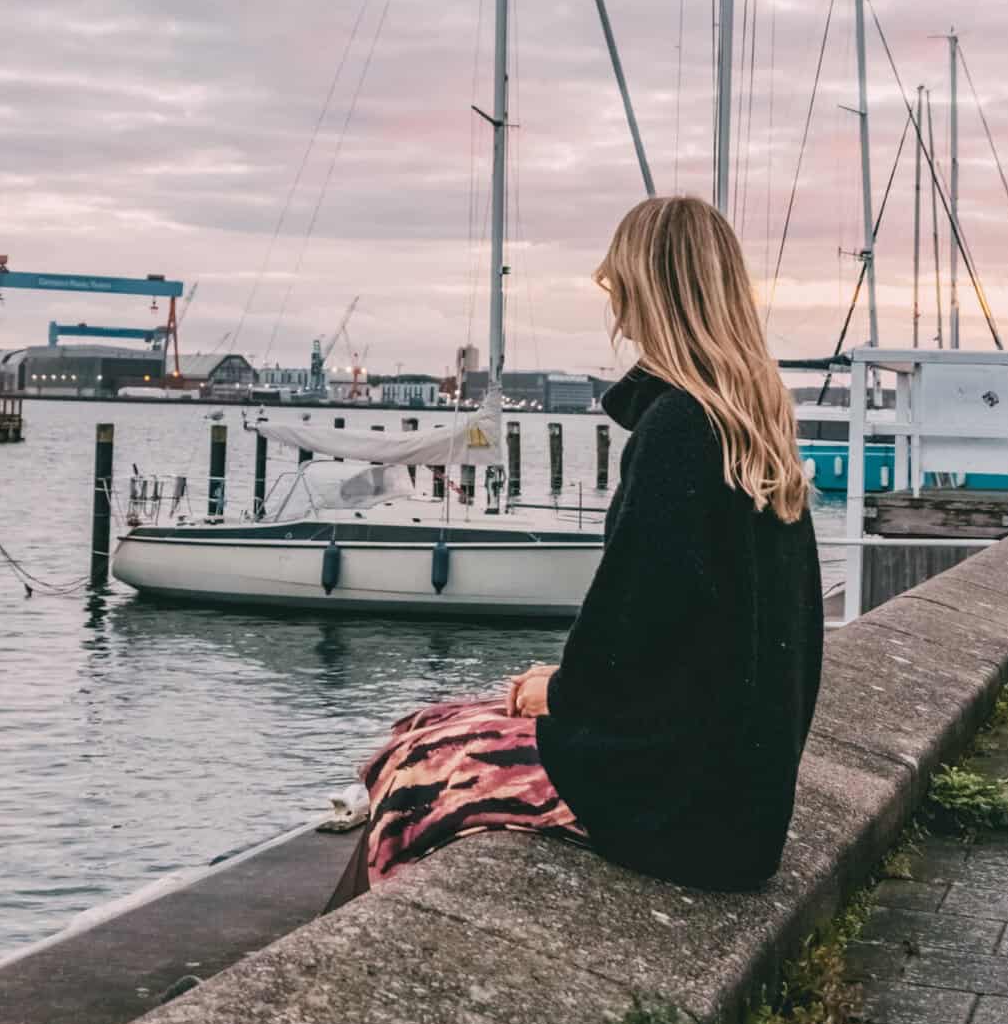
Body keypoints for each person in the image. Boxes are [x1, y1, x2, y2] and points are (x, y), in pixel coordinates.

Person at [327, 195, 823, 908]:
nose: (617, 312)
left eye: (621, 290)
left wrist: (555, 692)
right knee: (434, 727)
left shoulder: (678, 430)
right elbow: (699, 635)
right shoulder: (754, 428)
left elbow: (633, 634)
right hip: (739, 802)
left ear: (650, 294)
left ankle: (327, 969)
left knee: (415, 763)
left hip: (675, 805)